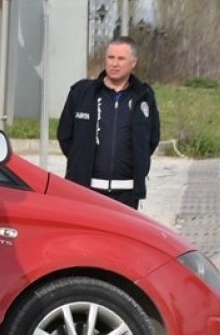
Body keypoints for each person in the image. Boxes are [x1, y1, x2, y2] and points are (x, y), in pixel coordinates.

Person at [57, 36, 160, 209]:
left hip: (126, 195)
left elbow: (151, 139)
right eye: (110, 58)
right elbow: (65, 136)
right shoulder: (82, 93)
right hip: (86, 191)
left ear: (133, 63)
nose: (114, 63)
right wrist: (81, 159)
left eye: (121, 59)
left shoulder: (143, 96)